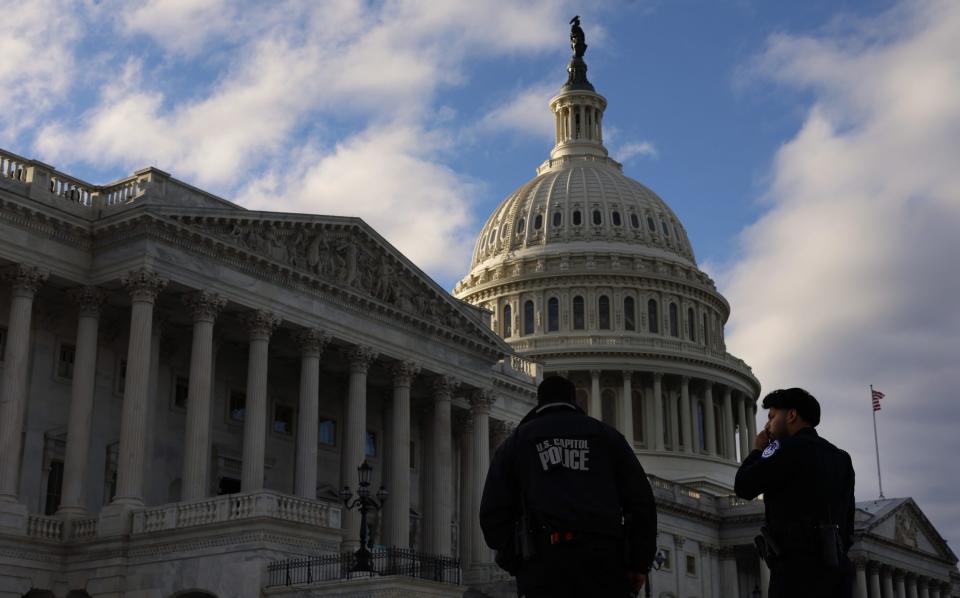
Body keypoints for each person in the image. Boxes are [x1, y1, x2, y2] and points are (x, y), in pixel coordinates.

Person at [479, 376, 657, 597]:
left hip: (544, 564)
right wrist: (638, 563)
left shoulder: (517, 441)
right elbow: (642, 504)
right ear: (574, 401)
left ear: (540, 402)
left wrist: (517, 562)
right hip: (603, 562)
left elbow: (492, 512)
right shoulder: (608, 437)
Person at [735, 388, 856, 598]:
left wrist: (757, 451)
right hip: (835, 570)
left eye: (772, 416)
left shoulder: (783, 448)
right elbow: (849, 519)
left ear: (791, 415)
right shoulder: (841, 458)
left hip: (795, 570)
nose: (767, 425)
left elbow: (744, 486)